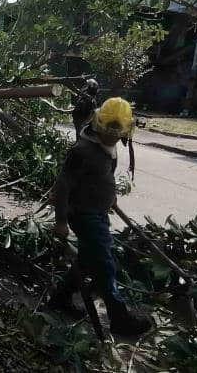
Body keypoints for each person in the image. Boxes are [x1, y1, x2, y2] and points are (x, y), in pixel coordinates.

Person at [49, 97, 151, 336]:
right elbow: (62, 186)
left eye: (117, 134)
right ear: (98, 125)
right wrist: (61, 221)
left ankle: (60, 298)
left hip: (97, 210)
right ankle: (119, 318)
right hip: (84, 214)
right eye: (108, 132)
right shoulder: (82, 151)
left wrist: (109, 196)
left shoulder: (107, 145)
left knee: (88, 260)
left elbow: (102, 175)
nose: (112, 137)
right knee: (104, 263)